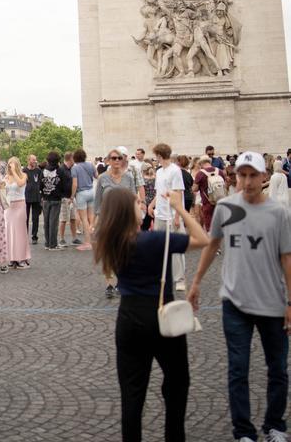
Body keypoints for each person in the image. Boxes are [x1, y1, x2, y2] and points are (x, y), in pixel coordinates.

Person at [188, 151, 291, 442]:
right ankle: (243, 432)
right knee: (237, 369)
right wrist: (195, 282)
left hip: (273, 303)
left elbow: (287, 259)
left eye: (252, 175)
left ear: (263, 177)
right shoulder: (225, 208)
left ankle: (275, 425)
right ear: (236, 177)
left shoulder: (280, 213)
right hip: (234, 302)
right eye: (242, 175)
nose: (247, 181)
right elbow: (211, 245)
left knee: (278, 370)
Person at [94, 186, 209, 442]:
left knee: (132, 393)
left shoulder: (110, 242)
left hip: (129, 319)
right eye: (137, 203)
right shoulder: (155, 239)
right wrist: (180, 208)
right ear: (127, 211)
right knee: (178, 382)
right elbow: (202, 239)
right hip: (161, 315)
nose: (142, 206)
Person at [94, 149, 137, 297]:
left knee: (124, 252)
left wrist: (135, 219)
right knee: (109, 253)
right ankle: (109, 284)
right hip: (108, 219)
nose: (117, 161)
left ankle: (121, 282)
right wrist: (96, 220)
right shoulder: (102, 178)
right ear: (108, 161)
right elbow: (97, 201)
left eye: (119, 158)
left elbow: (133, 198)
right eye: (114, 158)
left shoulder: (129, 177)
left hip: (125, 219)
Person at [149, 143, 187, 292]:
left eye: (156, 156)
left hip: (172, 215)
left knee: (177, 248)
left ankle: (180, 279)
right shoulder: (159, 172)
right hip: (160, 215)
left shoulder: (175, 171)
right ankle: (161, 276)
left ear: (159, 155)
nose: (155, 158)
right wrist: (151, 205)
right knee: (159, 248)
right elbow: (159, 192)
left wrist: (178, 216)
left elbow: (179, 193)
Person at [4, 157, 30, 269]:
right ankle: (11, 258)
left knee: (19, 233)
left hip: (20, 206)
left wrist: (14, 171)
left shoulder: (23, 175)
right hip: (9, 207)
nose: (10, 167)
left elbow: (20, 184)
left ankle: (21, 258)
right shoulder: (5, 177)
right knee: (8, 233)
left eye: (12, 164)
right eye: (9, 165)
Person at [192, 154, 226, 231]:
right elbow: (224, 184)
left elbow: (195, 189)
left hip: (208, 203)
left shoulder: (200, 173)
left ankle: (212, 241)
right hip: (220, 201)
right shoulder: (219, 171)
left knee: (210, 227)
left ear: (201, 164)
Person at [73, 148, 97, 251]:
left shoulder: (75, 168)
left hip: (81, 193)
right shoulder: (90, 165)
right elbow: (97, 176)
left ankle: (87, 242)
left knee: (83, 218)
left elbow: (75, 184)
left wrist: (71, 195)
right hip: (91, 191)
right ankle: (93, 237)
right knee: (91, 217)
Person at [40, 151, 64, 251]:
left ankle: (47, 243)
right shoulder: (60, 171)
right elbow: (64, 184)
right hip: (56, 198)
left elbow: (40, 185)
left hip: (45, 198)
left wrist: (42, 194)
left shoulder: (43, 171)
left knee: (46, 222)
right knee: (53, 222)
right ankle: (53, 244)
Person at [58, 151, 77, 248]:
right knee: (63, 219)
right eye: (74, 158)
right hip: (64, 198)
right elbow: (59, 184)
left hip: (71, 197)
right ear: (70, 159)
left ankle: (74, 238)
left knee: (73, 218)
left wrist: (72, 196)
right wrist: (62, 197)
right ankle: (61, 238)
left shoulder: (72, 169)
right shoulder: (61, 169)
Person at [23, 154, 43, 244]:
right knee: (25, 217)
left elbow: (41, 183)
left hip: (36, 197)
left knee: (35, 218)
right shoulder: (24, 171)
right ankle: (24, 235)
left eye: (35, 160)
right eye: (33, 160)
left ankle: (34, 236)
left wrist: (41, 195)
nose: (34, 161)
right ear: (28, 160)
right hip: (26, 197)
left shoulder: (38, 171)